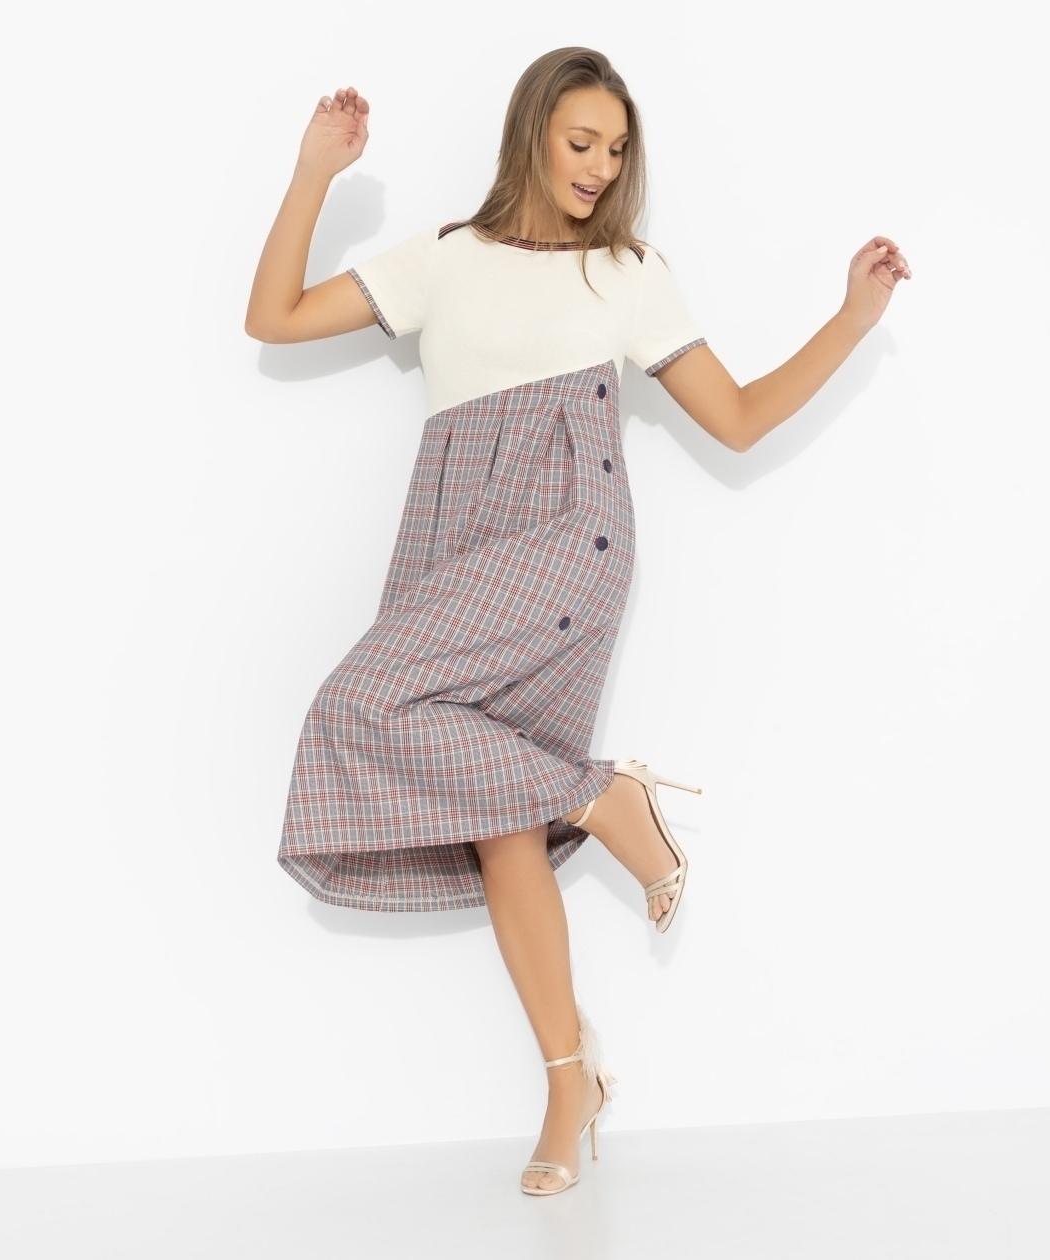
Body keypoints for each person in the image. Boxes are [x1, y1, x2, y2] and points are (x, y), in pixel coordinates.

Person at [245, 46, 910, 1196]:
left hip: (568, 539)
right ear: (534, 134)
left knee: (360, 703)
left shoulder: (629, 274)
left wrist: (852, 321)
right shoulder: (445, 258)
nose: (600, 167)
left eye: (615, 149)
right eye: (581, 143)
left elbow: (738, 418)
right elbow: (275, 315)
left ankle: (605, 801)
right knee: (499, 819)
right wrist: (313, 173)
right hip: (449, 551)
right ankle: (572, 1074)